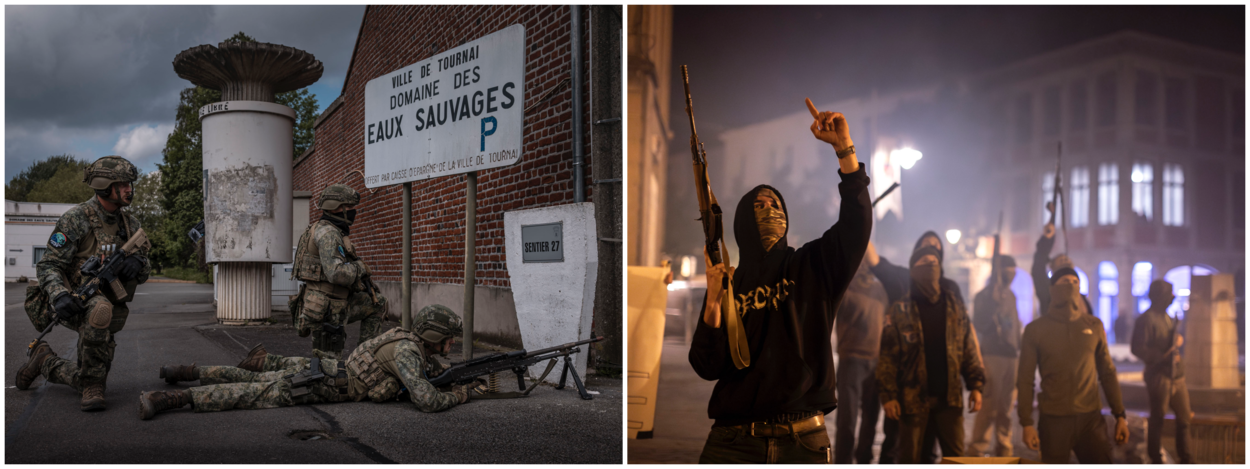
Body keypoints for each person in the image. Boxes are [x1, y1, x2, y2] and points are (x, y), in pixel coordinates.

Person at [689, 101, 871, 465]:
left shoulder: (812, 266)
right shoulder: (730, 283)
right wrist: (713, 300)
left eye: (775, 204)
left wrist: (844, 151)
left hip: (802, 440)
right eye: (758, 206)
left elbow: (855, 225)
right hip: (733, 441)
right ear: (741, 221)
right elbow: (708, 365)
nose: (769, 209)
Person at [138, 305, 479, 419]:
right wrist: (461, 396)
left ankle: (184, 372)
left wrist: (462, 378)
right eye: (448, 337)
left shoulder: (406, 339)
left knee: (255, 380)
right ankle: (173, 398)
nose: (451, 344)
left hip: (325, 371)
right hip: (326, 384)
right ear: (433, 335)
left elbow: (435, 374)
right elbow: (427, 399)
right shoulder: (408, 352)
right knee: (253, 393)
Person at [16, 156, 151, 412]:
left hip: (111, 304)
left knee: (93, 369)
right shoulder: (76, 219)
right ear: (103, 186)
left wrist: (139, 265)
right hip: (74, 301)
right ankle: (92, 386)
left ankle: (46, 362)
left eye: (130, 184)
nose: (129, 189)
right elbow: (48, 265)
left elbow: (146, 268)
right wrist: (58, 295)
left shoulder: (130, 224)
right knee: (100, 310)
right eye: (122, 184)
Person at [877, 245, 985, 466]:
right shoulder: (899, 309)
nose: (930, 266)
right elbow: (887, 357)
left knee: (955, 458)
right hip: (912, 400)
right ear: (913, 270)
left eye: (934, 262)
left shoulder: (955, 305)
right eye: (924, 262)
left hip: (950, 399)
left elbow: (968, 348)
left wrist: (976, 384)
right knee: (910, 459)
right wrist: (888, 395)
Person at [864, 233, 964, 465]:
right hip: (906, 388)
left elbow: (965, 333)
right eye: (926, 247)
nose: (931, 253)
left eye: (936, 250)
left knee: (929, 451)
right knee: (896, 446)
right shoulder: (901, 278)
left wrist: (975, 376)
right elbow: (873, 259)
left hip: (941, 389)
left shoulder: (950, 290)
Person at [1018, 267, 1129, 466]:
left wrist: (1119, 415)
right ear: (1053, 289)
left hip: (1091, 419)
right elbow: (1025, 379)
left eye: (1075, 282)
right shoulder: (1036, 329)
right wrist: (1026, 422)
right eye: (1064, 282)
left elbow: (1107, 372)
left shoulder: (1094, 325)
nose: (1070, 286)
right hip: (1054, 420)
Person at [290, 183, 388, 359]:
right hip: (328, 307)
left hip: (335, 302)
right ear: (335, 208)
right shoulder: (329, 234)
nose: (352, 211)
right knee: (327, 367)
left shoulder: (331, 229)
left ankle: (364, 359)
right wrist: (359, 268)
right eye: (349, 207)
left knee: (378, 303)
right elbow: (336, 274)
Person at [1131, 280, 1195, 466]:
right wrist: (1161, 356)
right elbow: (1137, 348)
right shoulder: (1146, 319)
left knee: (1184, 418)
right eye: (1169, 293)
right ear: (1160, 296)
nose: (1172, 297)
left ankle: (1186, 458)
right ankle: (1155, 458)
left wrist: (1176, 341)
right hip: (1159, 376)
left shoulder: (1168, 317)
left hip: (1177, 376)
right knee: (1157, 418)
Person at [832, 260, 889, 466]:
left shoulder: (880, 288)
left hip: (876, 360)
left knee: (871, 419)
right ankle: (843, 462)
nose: (864, 265)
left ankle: (864, 459)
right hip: (852, 359)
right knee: (847, 419)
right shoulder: (846, 287)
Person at [969, 255, 1021, 457]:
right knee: (988, 406)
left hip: (1011, 356)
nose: (1012, 274)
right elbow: (980, 323)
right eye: (1008, 269)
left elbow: (1013, 325)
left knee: (1006, 408)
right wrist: (992, 302)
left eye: (1013, 269)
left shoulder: (1011, 295)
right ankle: (977, 449)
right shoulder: (985, 295)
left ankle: (1004, 448)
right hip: (992, 355)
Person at [1031, 223, 1091, 316]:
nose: (1065, 261)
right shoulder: (1048, 292)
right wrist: (1047, 240)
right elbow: (1038, 267)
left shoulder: (1081, 297)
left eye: (1067, 260)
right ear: (1053, 267)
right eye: (1061, 260)